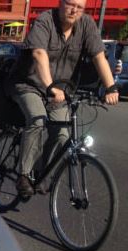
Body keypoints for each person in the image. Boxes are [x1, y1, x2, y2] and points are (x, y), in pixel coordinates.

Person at [9, 0, 119, 198]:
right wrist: (49, 86)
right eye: (70, 4)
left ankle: (41, 171)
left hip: (60, 90)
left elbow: (99, 56)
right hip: (29, 84)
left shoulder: (86, 24)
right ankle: (23, 174)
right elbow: (39, 53)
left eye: (80, 7)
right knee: (38, 120)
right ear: (60, 3)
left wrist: (110, 87)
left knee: (62, 134)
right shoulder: (45, 20)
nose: (74, 10)